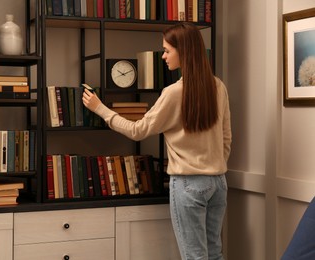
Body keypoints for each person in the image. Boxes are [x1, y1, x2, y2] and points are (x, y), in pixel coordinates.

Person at [82, 22, 231, 260]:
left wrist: (101, 109)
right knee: (214, 254)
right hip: (218, 183)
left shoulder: (173, 92)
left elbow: (138, 130)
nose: (163, 56)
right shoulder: (218, 86)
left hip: (188, 184)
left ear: (183, 51)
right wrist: (216, 165)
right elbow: (226, 137)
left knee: (195, 257)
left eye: (167, 50)